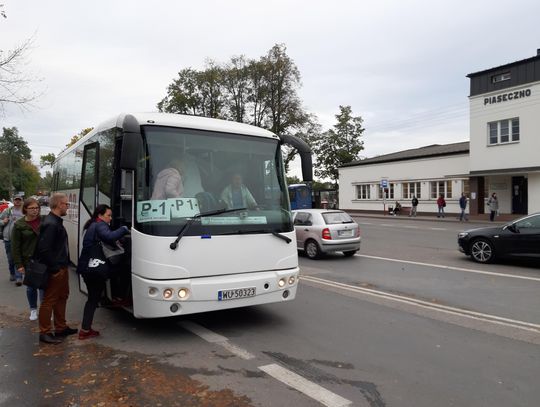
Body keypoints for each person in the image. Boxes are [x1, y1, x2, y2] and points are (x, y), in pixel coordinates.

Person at [77, 204, 129, 340]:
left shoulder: (92, 225)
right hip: (96, 268)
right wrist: (124, 229)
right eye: (108, 215)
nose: (110, 218)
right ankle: (119, 298)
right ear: (100, 215)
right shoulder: (100, 225)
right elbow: (109, 237)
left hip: (87, 268)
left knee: (92, 299)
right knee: (123, 268)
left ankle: (85, 329)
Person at [35, 193, 77, 344]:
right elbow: (44, 249)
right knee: (49, 300)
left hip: (61, 267)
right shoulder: (51, 224)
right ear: (59, 204)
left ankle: (61, 327)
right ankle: (44, 332)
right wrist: (54, 269)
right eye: (67, 204)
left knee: (62, 297)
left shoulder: (55, 221)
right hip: (56, 269)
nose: (68, 206)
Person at [11, 198, 45, 320]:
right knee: (31, 287)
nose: (35, 210)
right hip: (28, 260)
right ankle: (33, 310)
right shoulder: (19, 225)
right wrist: (19, 265)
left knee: (43, 286)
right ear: (25, 209)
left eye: (37, 208)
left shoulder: (44, 220)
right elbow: (15, 247)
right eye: (32, 208)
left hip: (43, 259)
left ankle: (44, 309)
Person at [0, 195, 25, 284]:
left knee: (18, 258)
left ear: (22, 201)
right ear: (13, 201)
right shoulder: (7, 211)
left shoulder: (24, 211)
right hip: (8, 239)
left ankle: (19, 277)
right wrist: (3, 221)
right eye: (16, 200)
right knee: (10, 259)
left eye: (19, 200)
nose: (17, 201)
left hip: (20, 240)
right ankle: (12, 273)